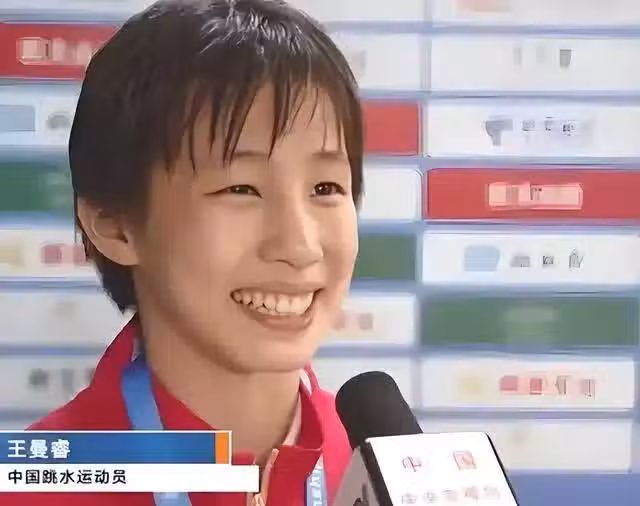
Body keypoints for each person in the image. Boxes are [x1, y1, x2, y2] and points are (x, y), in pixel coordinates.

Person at [2, 0, 363, 504]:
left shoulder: (385, 473)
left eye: (326, 188)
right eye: (240, 189)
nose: (300, 247)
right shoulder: (36, 487)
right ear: (115, 224)